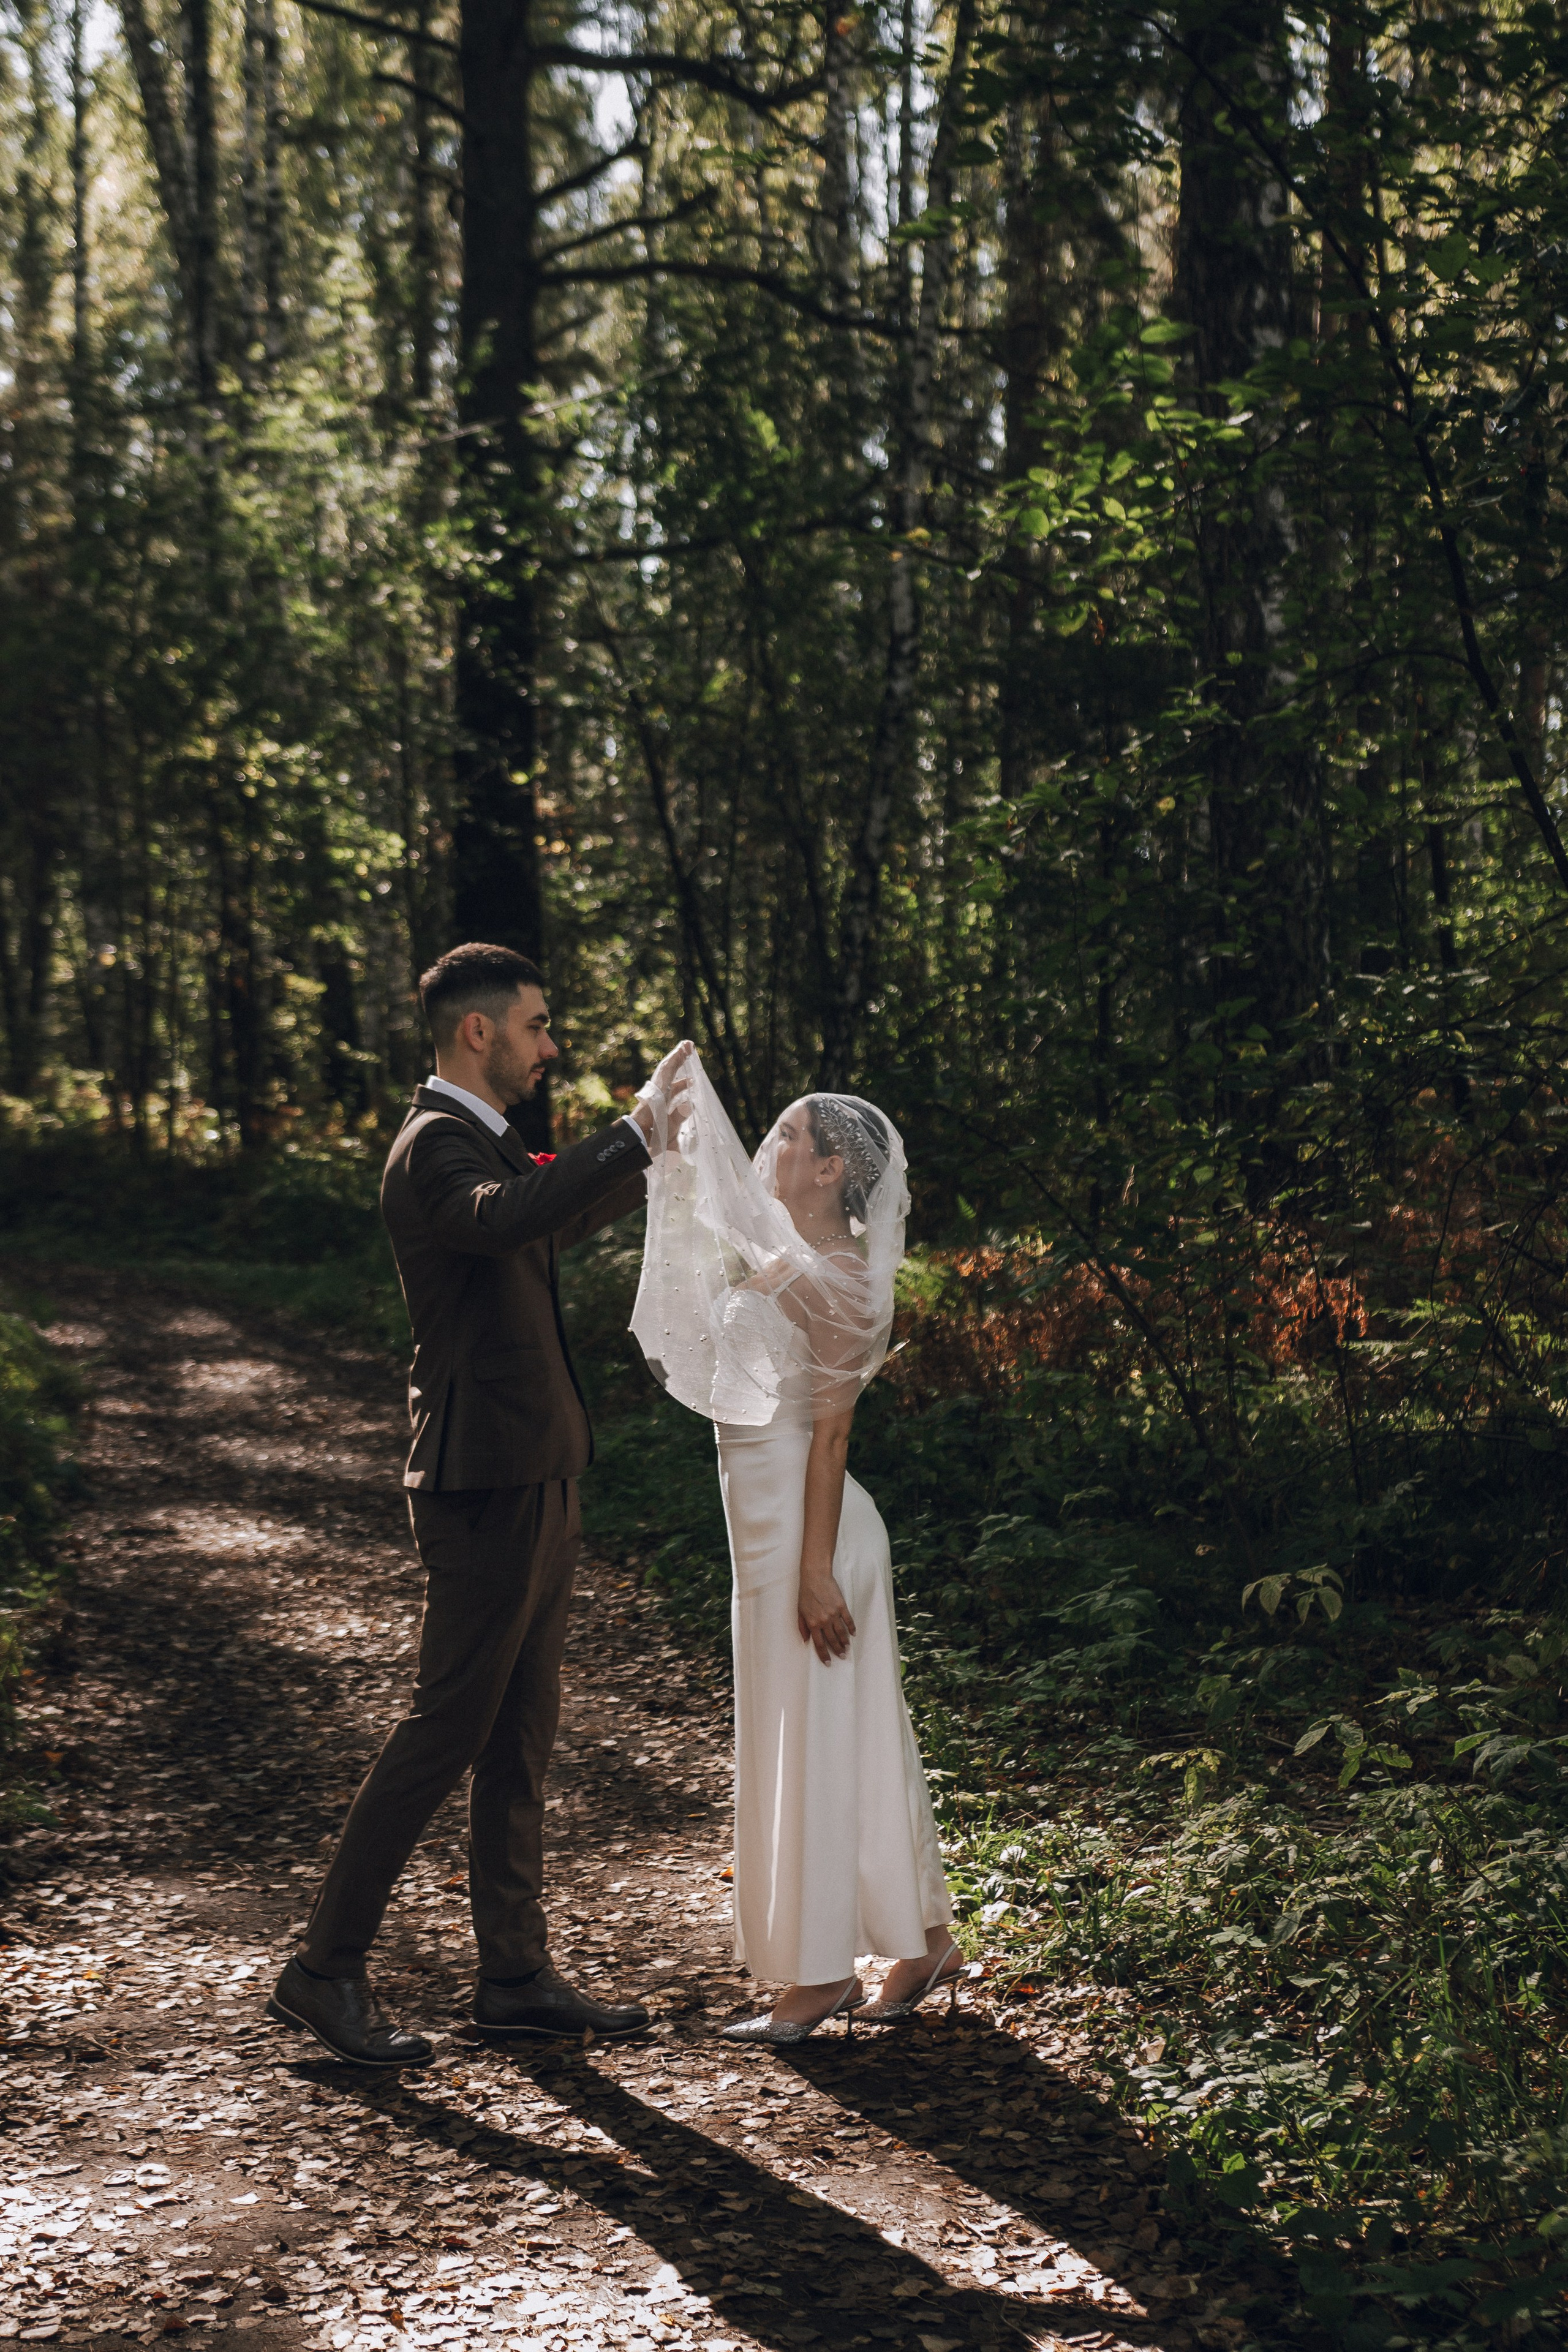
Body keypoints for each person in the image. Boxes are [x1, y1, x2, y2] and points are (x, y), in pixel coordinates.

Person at [268, 945, 688, 2066]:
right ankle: (324, 1968)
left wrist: (652, 1166)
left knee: (520, 1735)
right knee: (446, 1725)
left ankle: (513, 1977)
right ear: (478, 1033)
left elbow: (540, 1225)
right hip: (481, 1478)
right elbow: (504, 1217)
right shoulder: (435, 1146)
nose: (551, 1048)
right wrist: (629, 1133)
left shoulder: (487, 1143)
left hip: (538, 1466)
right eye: (539, 1027)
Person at [630, 1057, 960, 2042]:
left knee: (817, 1736)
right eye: (769, 1132)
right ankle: (924, 1942)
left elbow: (833, 1437)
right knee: (841, 1732)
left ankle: (820, 1978)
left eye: (787, 1138)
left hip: (815, 1541)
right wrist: (679, 1127)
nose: (771, 1149)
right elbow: (724, 1214)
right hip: (770, 1535)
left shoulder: (841, 1279)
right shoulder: (790, 1259)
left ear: (829, 1171)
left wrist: (816, 1571)